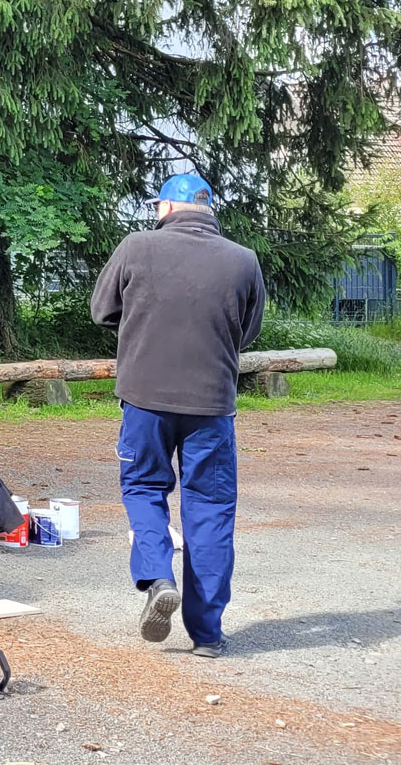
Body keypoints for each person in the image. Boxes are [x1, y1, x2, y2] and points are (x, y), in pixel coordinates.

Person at [92, 172, 264, 658]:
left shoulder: (136, 246)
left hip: (144, 399)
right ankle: (207, 634)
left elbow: (102, 312)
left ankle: (158, 578)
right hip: (212, 405)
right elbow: (245, 330)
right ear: (209, 211)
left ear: (165, 208)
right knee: (209, 508)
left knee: (145, 488)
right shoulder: (243, 260)